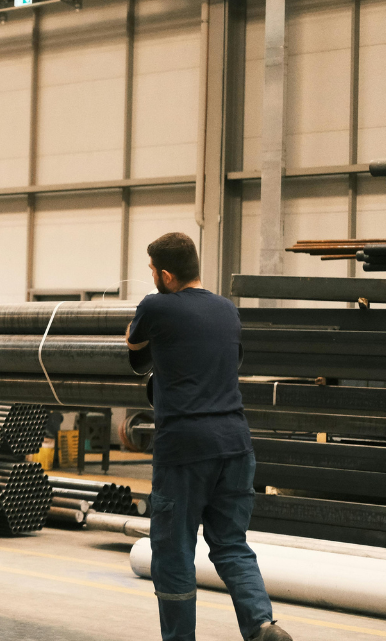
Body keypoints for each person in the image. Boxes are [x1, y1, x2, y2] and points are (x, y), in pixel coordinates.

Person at [124, 232, 289, 641]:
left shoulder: (155, 305)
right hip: (235, 445)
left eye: (153, 271)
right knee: (231, 544)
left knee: (173, 550)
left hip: (184, 448)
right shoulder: (227, 310)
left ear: (165, 275)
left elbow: (134, 347)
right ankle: (262, 626)